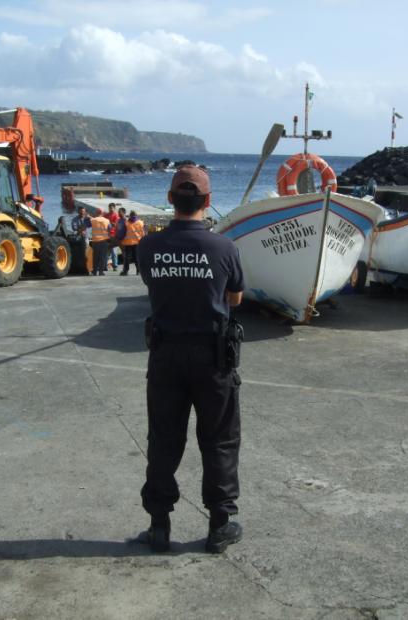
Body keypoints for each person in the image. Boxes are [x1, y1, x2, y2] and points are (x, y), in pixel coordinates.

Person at [136, 165, 245, 554]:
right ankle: (219, 525)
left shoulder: (148, 247)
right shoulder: (224, 248)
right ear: (208, 202)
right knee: (219, 440)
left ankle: (159, 525)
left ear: (170, 200)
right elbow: (234, 300)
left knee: (164, 440)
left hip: (165, 356)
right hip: (212, 358)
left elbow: (155, 286)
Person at [89, 209, 113, 276]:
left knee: (95, 256)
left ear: (97, 212)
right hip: (104, 241)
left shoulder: (93, 220)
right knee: (103, 257)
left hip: (95, 241)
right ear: (102, 213)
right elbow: (110, 229)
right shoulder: (107, 221)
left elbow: (88, 224)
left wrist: (89, 217)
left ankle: (94, 271)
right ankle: (101, 271)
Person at [120, 210, 144, 276]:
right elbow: (143, 233)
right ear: (136, 215)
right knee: (136, 257)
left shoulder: (126, 223)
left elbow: (122, 233)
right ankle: (139, 271)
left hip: (128, 242)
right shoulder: (140, 223)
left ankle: (125, 271)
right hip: (137, 242)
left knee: (127, 258)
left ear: (130, 215)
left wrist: (121, 239)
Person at [106, 203, 122, 270]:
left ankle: (115, 266)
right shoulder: (106, 215)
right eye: (110, 208)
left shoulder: (116, 216)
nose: (111, 209)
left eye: (112, 208)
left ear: (114, 208)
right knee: (106, 252)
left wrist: (109, 222)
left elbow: (116, 225)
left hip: (114, 235)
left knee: (114, 252)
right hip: (107, 235)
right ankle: (105, 266)